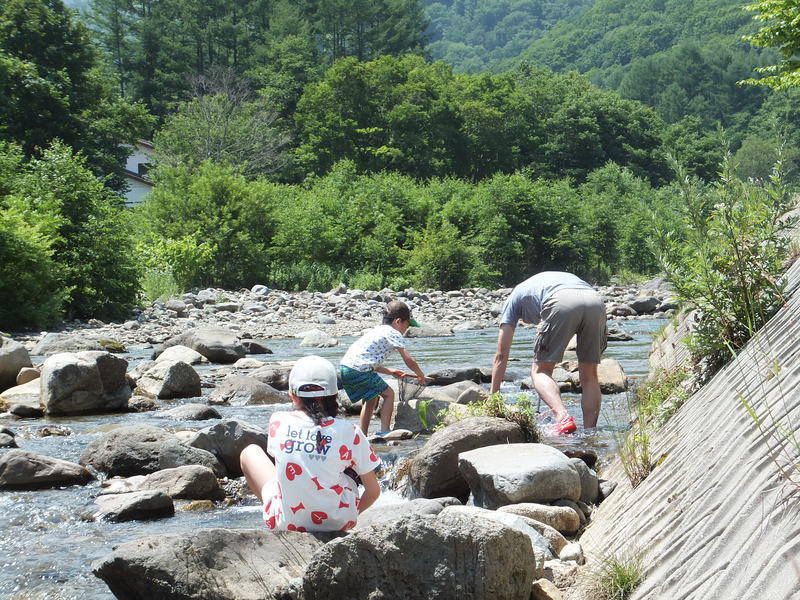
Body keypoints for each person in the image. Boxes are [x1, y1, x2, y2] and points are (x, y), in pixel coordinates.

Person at [239, 355, 381, 532]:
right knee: (346, 471)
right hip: (338, 523)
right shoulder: (349, 431)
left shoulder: (278, 421)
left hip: (285, 524)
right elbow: (373, 492)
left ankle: (286, 512)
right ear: (335, 395)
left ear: (292, 395)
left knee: (250, 452)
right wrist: (348, 517)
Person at [490, 271, 607, 433]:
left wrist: (493, 397)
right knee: (590, 375)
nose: (528, 322)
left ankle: (562, 417)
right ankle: (589, 433)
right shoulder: (537, 286)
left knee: (540, 371)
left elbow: (501, 354)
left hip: (560, 301)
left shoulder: (513, 300)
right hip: (595, 301)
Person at [340, 300, 429, 436]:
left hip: (346, 368)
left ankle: (362, 434)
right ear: (398, 321)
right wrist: (420, 374)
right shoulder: (394, 333)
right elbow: (408, 359)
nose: (407, 329)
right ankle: (385, 431)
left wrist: (390, 371)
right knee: (389, 394)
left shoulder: (377, 330)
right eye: (407, 325)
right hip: (360, 370)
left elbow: (366, 361)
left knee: (372, 398)